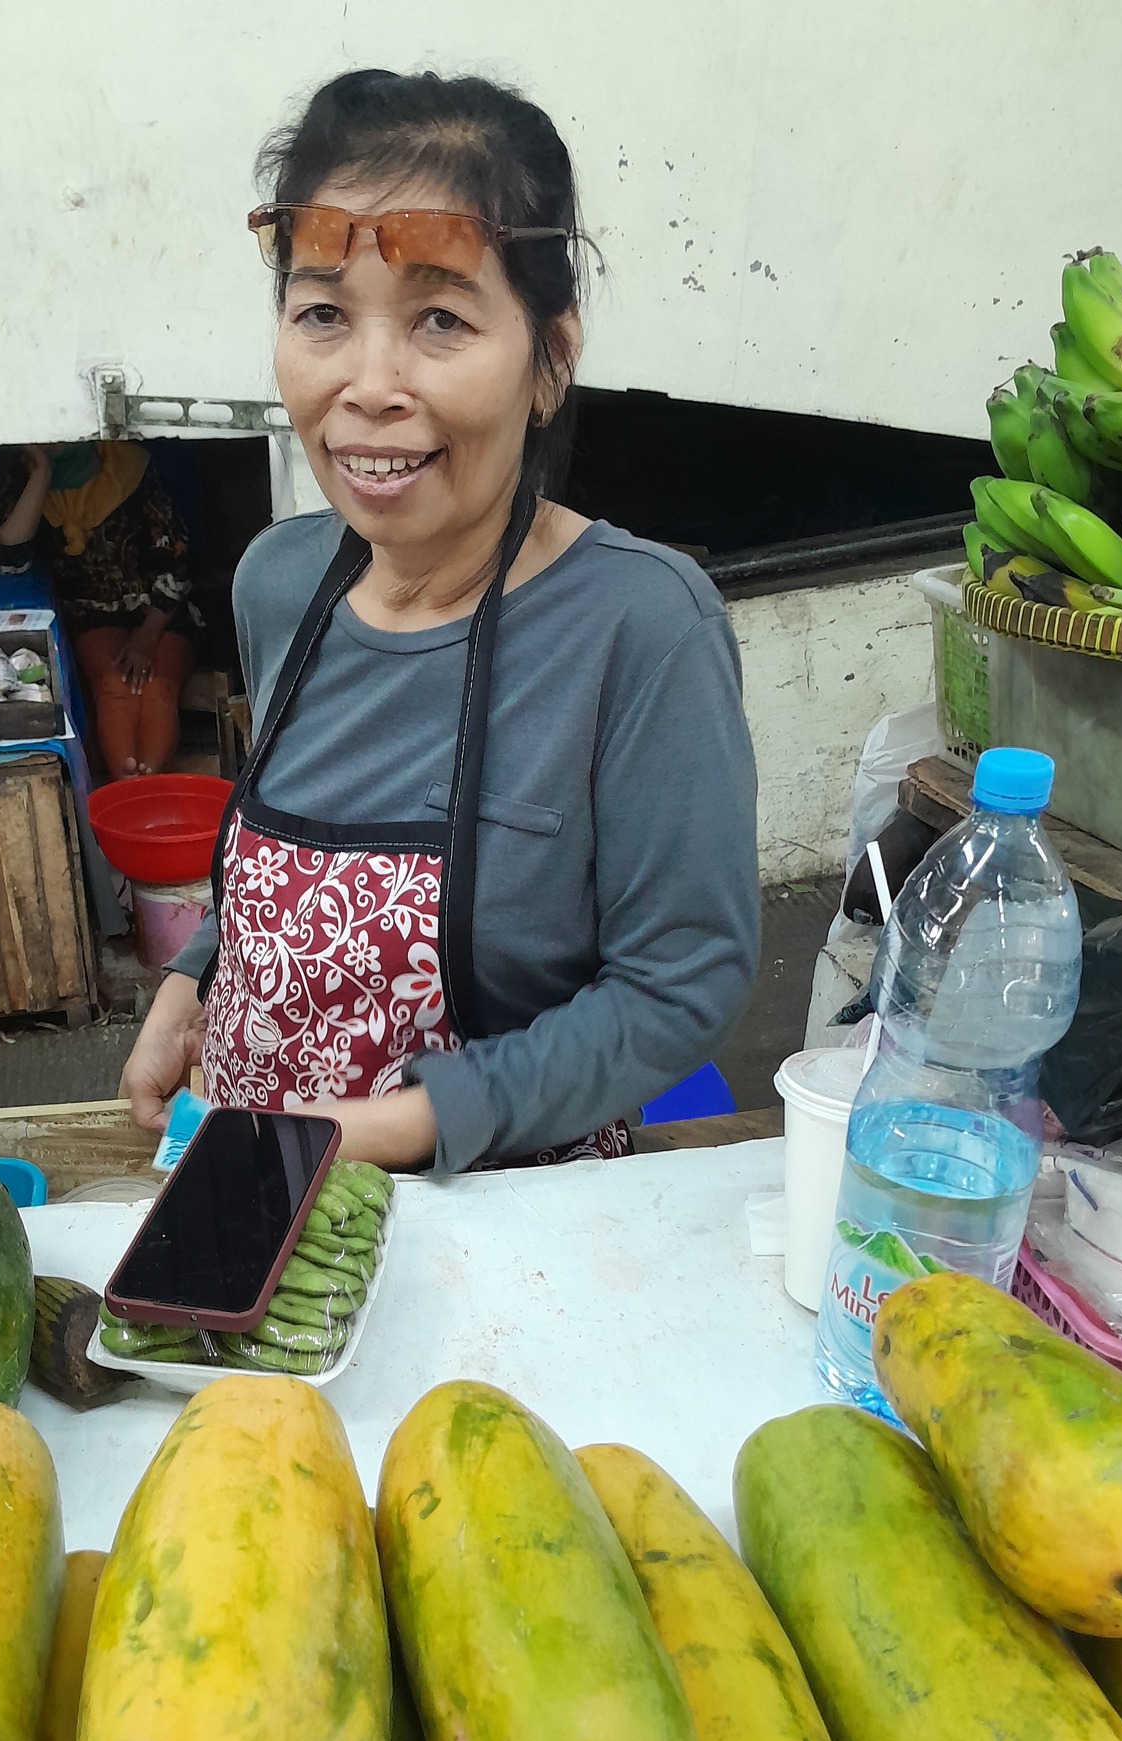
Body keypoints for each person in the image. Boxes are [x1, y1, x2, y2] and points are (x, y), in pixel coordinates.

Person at [120, 68, 759, 1173]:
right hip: (250, 1173)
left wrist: (388, 1131)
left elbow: (678, 985)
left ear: (549, 359)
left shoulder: (640, 628)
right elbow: (277, 878)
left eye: (441, 319)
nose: (370, 384)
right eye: (323, 313)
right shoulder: (278, 582)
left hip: (505, 1212)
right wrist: (189, 985)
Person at [0, 440, 195, 777]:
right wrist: (42, 473)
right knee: (114, 686)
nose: (52, 440)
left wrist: (145, 637)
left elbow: (176, 566)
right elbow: (8, 559)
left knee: (156, 688)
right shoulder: (24, 475)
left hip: (160, 608)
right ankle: (128, 784)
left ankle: (149, 783)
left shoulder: (129, 466)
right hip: (89, 611)